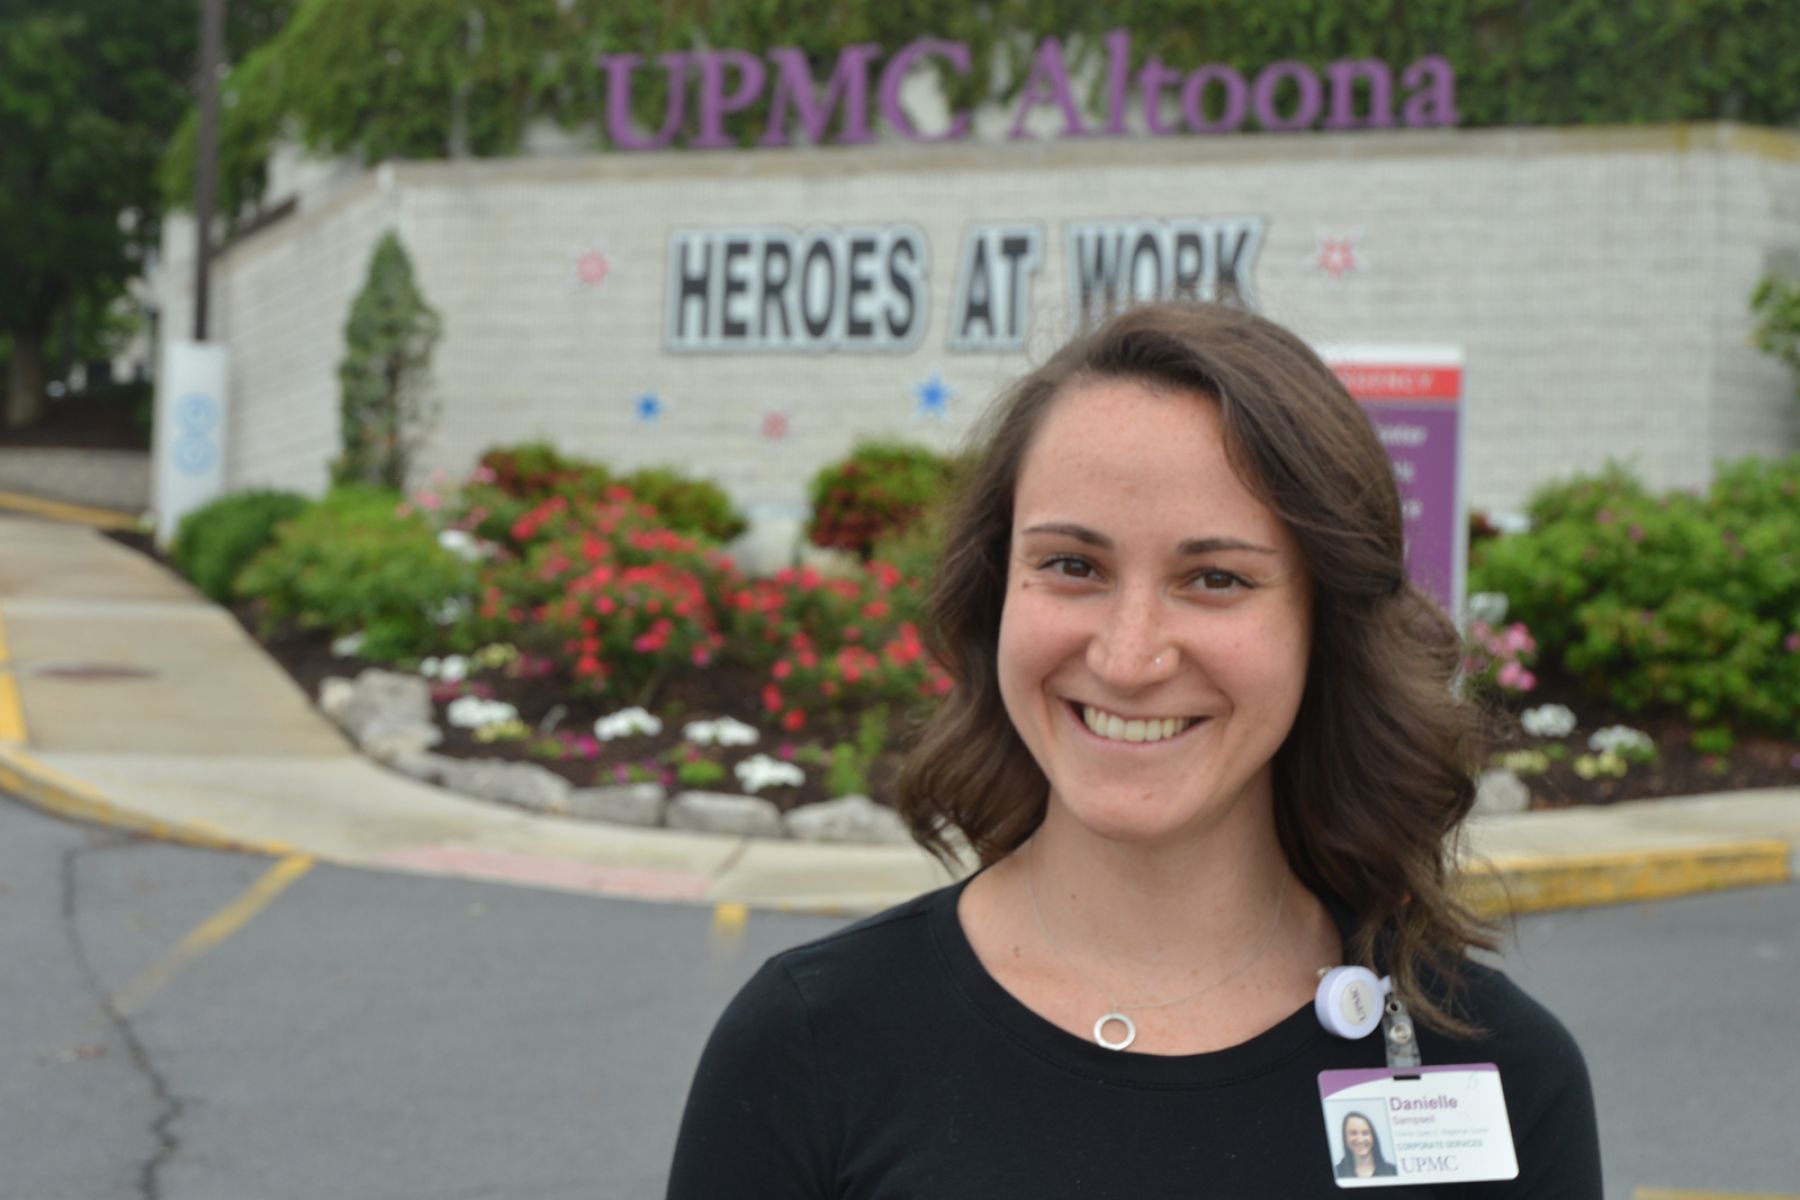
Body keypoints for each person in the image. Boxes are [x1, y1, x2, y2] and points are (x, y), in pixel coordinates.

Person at [666, 302, 1601, 1198]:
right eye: (1073, 566)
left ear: (1327, 624)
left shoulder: (1502, 1079)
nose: (1128, 655)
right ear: (997, 596)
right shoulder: (811, 1049)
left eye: (1215, 578)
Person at [1335, 1111, 1399, 1179]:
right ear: (1345, 1138)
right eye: (1353, 1133)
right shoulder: (1336, 1172)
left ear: (1373, 1137)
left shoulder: (1394, 1171)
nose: (1360, 1140)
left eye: (1365, 1133)